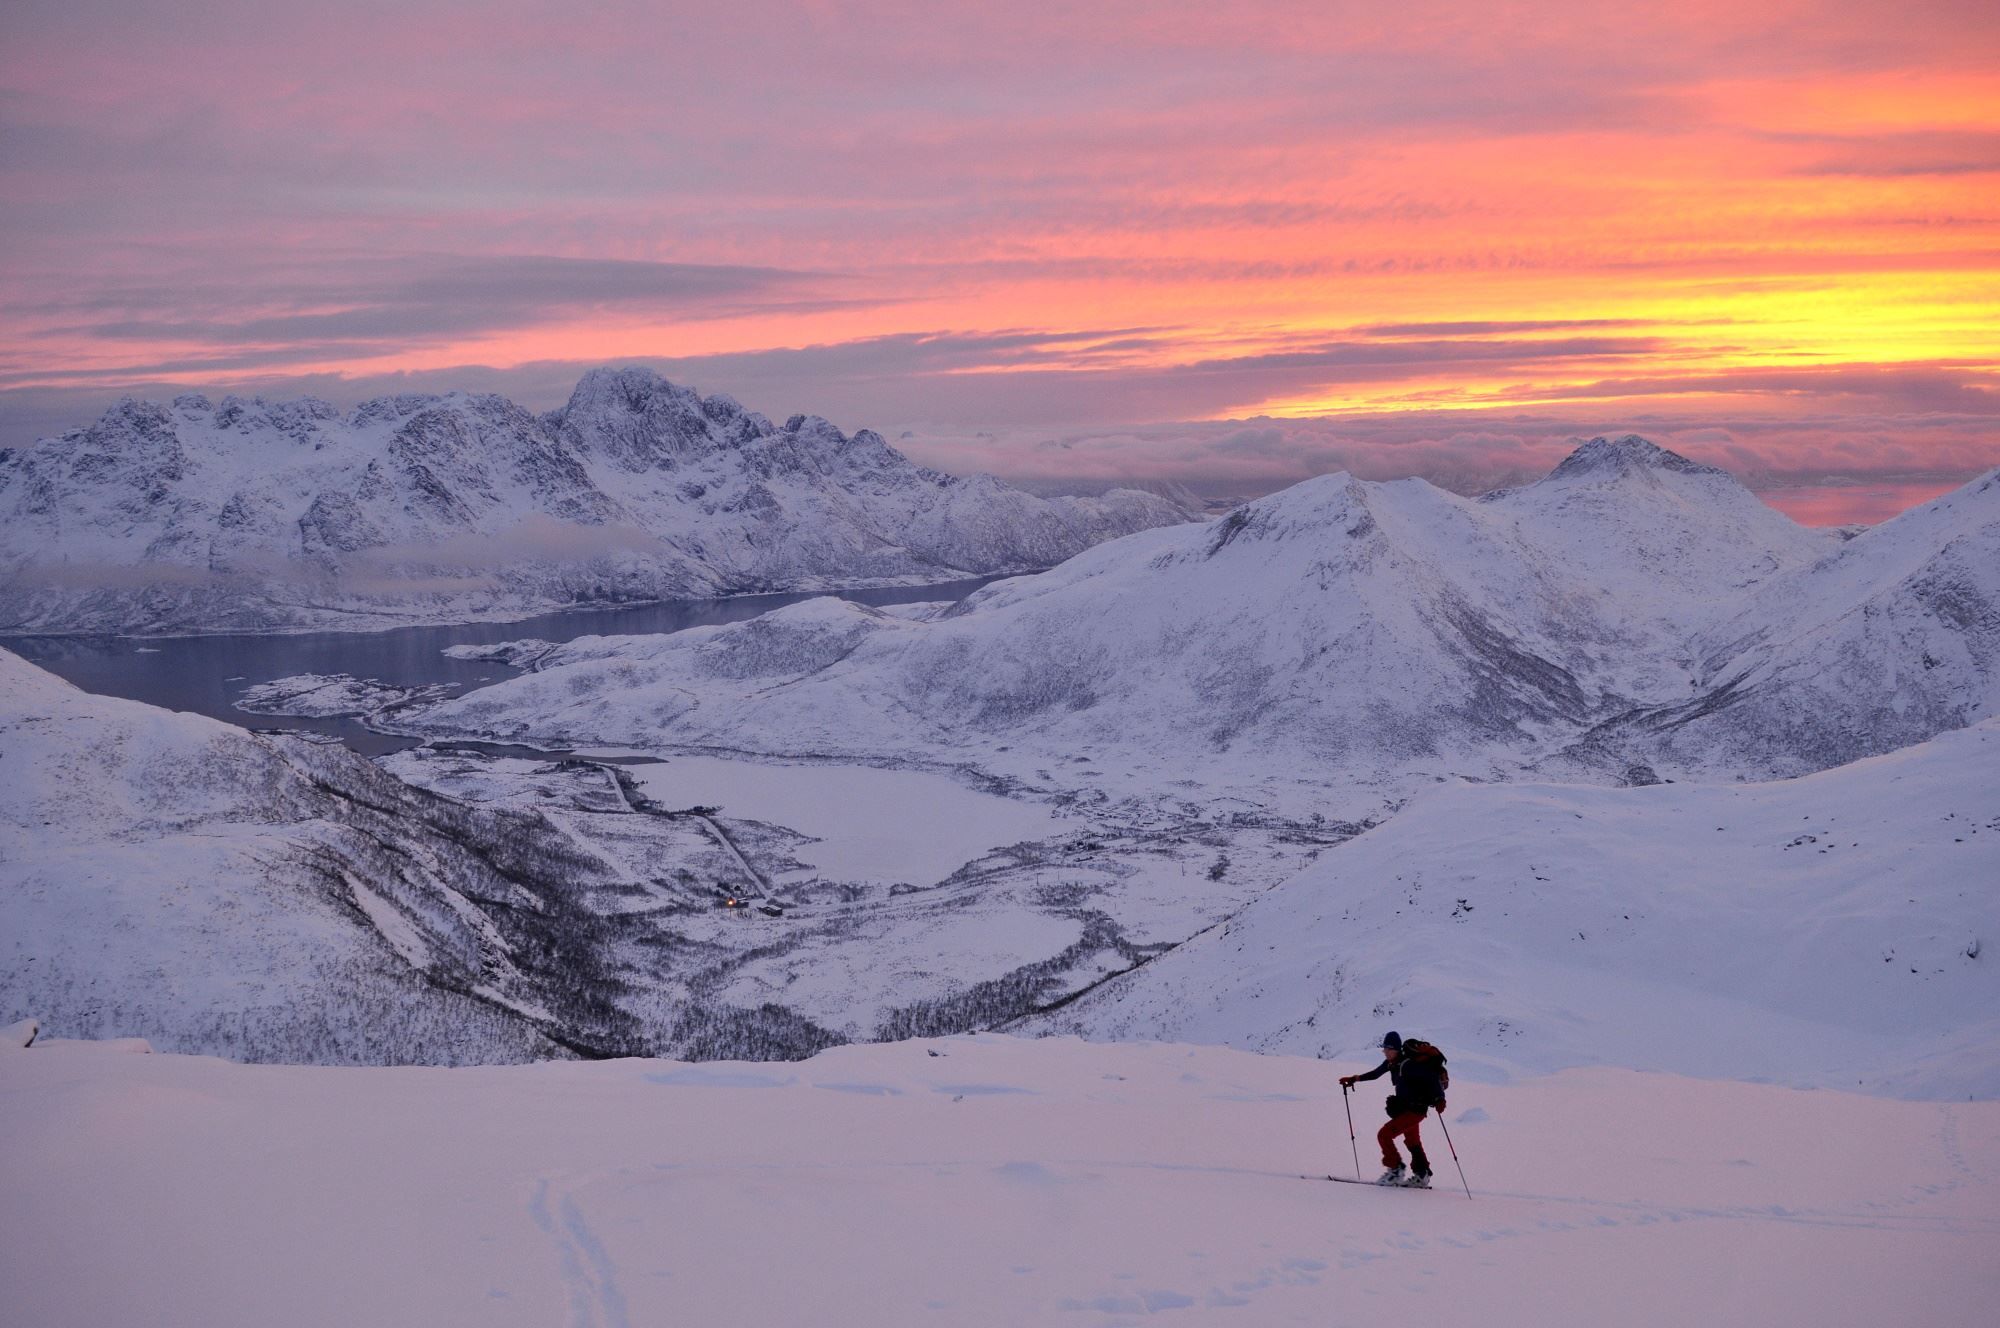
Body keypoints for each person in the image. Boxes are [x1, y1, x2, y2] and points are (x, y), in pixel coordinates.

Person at [1340, 1031, 1448, 1187]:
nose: (1385, 1052)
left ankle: (1395, 1170)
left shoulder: (1408, 1064)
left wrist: (1440, 1099)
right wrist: (1355, 1079)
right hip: (1407, 1108)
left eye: (1388, 1049)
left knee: (1384, 1135)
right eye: (1384, 1049)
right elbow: (1376, 1074)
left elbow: (1431, 1077)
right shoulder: (1392, 1063)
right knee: (1413, 1141)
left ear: (1396, 1049)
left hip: (1415, 1110)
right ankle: (1422, 1175)